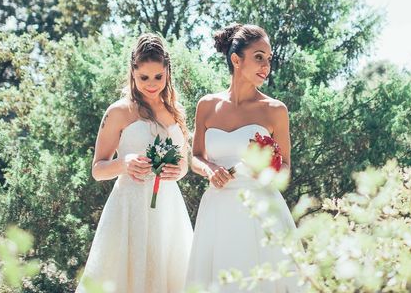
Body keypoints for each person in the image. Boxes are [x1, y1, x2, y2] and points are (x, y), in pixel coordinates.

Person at [186, 23, 299, 292]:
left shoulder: (275, 110)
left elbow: (284, 168)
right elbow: (196, 157)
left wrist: (266, 171)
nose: (266, 66)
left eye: (268, 59)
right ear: (236, 60)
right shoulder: (207, 105)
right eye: (258, 57)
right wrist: (210, 169)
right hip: (217, 208)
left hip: (259, 210)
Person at [76, 34, 193, 293]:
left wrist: (179, 170)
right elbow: (98, 169)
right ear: (133, 72)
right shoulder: (118, 112)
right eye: (144, 78)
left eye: (158, 77)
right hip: (129, 208)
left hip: (168, 208)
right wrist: (123, 163)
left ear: (167, 73)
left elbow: (184, 163)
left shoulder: (176, 111)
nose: (152, 84)